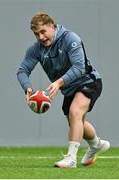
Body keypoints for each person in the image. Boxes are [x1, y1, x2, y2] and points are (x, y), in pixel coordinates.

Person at [17, 12, 110, 168]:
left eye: (43, 31)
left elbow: (80, 68)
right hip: (69, 88)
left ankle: (71, 158)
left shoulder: (70, 39)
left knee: (75, 112)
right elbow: (22, 71)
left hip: (89, 81)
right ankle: (96, 144)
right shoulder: (36, 49)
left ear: (52, 27)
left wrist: (59, 83)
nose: (40, 37)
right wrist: (28, 88)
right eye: (36, 34)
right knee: (76, 121)